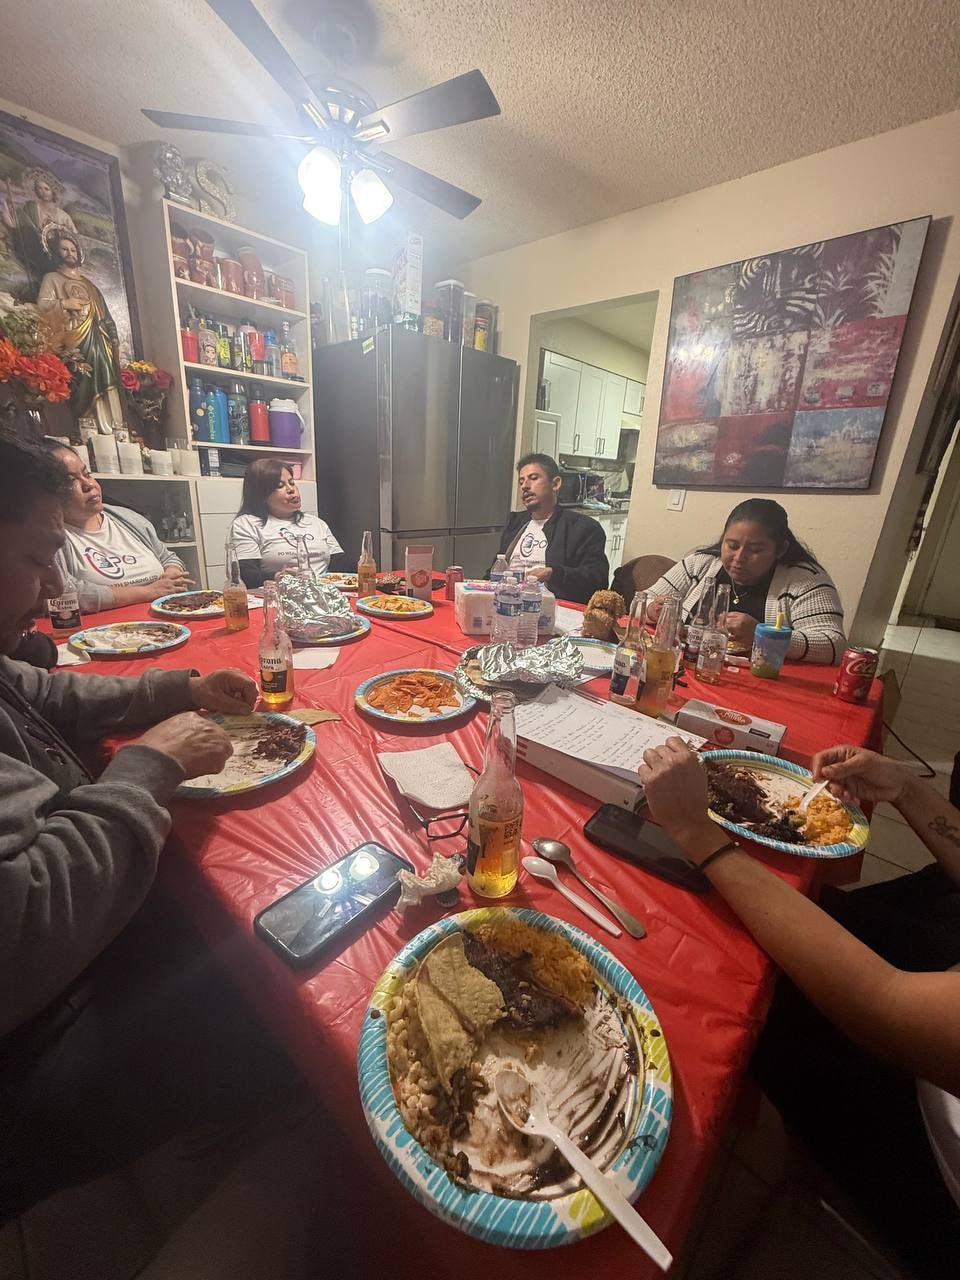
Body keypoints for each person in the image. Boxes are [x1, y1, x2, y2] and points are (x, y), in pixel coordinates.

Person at [0, 425, 311, 1225]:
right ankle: (266, 1152)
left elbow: (52, 693)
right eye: (37, 560)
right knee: (273, 984)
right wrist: (149, 764)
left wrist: (183, 688)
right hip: (28, 1052)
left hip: (56, 983)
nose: (51, 589)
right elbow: (26, 922)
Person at [639, 739, 960, 1279]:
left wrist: (698, 833)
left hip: (930, 1153)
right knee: (810, 909)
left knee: (744, 982)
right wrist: (906, 786)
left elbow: (882, 1005)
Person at [645, 498, 845, 663]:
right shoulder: (701, 563)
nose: (739, 558)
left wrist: (763, 636)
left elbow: (834, 644)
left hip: (763, 685)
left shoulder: (804, 580)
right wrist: (652, 609)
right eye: (732, 546)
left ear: (780, 549)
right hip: (687, 669)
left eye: (755, 550)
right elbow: (645, 598)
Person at [46, 443, 192, 610]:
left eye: (87, 474)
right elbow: (64, 594)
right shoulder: (50, 538)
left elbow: (167, 558)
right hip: (109, 626)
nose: (89, 485)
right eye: (71, 481)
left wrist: (172, 577)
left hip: (168, 616)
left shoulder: (128, 518)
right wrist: (150, 592)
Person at [490, 453, 609, 604]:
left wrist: (553, 574)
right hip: (506, 605)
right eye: (521, 481)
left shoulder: (583, 528)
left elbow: (597, 580)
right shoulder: (515, 523)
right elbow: (495, 571)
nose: (525, 486)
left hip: (552, 609)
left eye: (533, 478)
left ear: (555, 484)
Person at [37, 226, 123, 431]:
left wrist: (113, 335)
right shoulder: (52, 279)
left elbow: (105, 315)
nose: (70, 253)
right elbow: (42, 306)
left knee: (107, 377)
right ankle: (89, 425)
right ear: (56, 252)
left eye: (73, 250)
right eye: (64, 249)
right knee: (83, 379)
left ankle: (113, 425)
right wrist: (64, 303)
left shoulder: (90, 285)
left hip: (99, 340)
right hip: (74, 341)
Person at [231, 459, 343, 588]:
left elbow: (339, 563)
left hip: (324, 592)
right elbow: (246, 575)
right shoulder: (247, 524)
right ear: (261, 494)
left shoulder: (316, 523)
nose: (291, 489)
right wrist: (277, 576)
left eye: (292, 482)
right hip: (279, 593)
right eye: (280, 486)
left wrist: (361, 564)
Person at [1, 167, 78, 297]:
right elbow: (22, 225)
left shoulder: (63, 216)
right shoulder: (31, 207)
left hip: (55, 253)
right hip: (33, 246)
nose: (42, 192)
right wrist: (12, 224)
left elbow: (72, 237)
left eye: (46, 189)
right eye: (39, 188)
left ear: (53, 191)